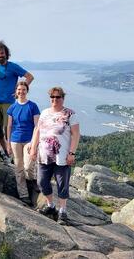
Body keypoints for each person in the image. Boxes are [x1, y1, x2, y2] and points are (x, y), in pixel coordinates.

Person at [29, 87, 80, 225]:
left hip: (62, 156)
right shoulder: (45, 113)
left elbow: (76, 134)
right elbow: (37, 130)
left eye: (58, 97)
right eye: (52, 97)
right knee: (42, 182)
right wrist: (33, 148)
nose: (55, 99)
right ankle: (51, 206)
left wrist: (72, 152)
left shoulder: (70, 114)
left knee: (62, 184)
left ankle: (63, 211)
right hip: (44, 155)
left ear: (63, 98)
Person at [0, 41, 34, 161]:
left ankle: (14, 155)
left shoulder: (13, 66)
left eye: (2, 53)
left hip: (9, 102)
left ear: (6, 54)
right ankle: (7, 153)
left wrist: (19, 90)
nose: (0, 55)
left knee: (7, 129)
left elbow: (30, 76)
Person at [6, 81, 40, 206]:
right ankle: (23, 194)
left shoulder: (33, 106)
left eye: (23, 89)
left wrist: (33, 142)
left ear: (27, 91)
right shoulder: (12, 108)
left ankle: (32, 179)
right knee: (19, 168)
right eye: (19, 89)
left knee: (27, 165)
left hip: (28, 140)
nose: (21, 92)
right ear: (16, 91)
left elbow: (37, 126)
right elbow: (9, 126)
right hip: (15, 140)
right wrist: (8, 143)